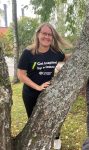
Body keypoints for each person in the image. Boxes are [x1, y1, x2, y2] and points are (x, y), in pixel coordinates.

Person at [17, 22, 71, 150]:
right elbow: (21, 74)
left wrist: (83, 53)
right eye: (44, 33)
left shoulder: (56, 52)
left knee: (53, 116)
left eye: (50, 35)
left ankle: (56, 137)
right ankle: (38, 141)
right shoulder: (28, 52)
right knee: (34, 120)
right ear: (38, 34)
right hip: (31, 93)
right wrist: (37, 87)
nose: (47, 37)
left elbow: (65, 58)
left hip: (49, 93)